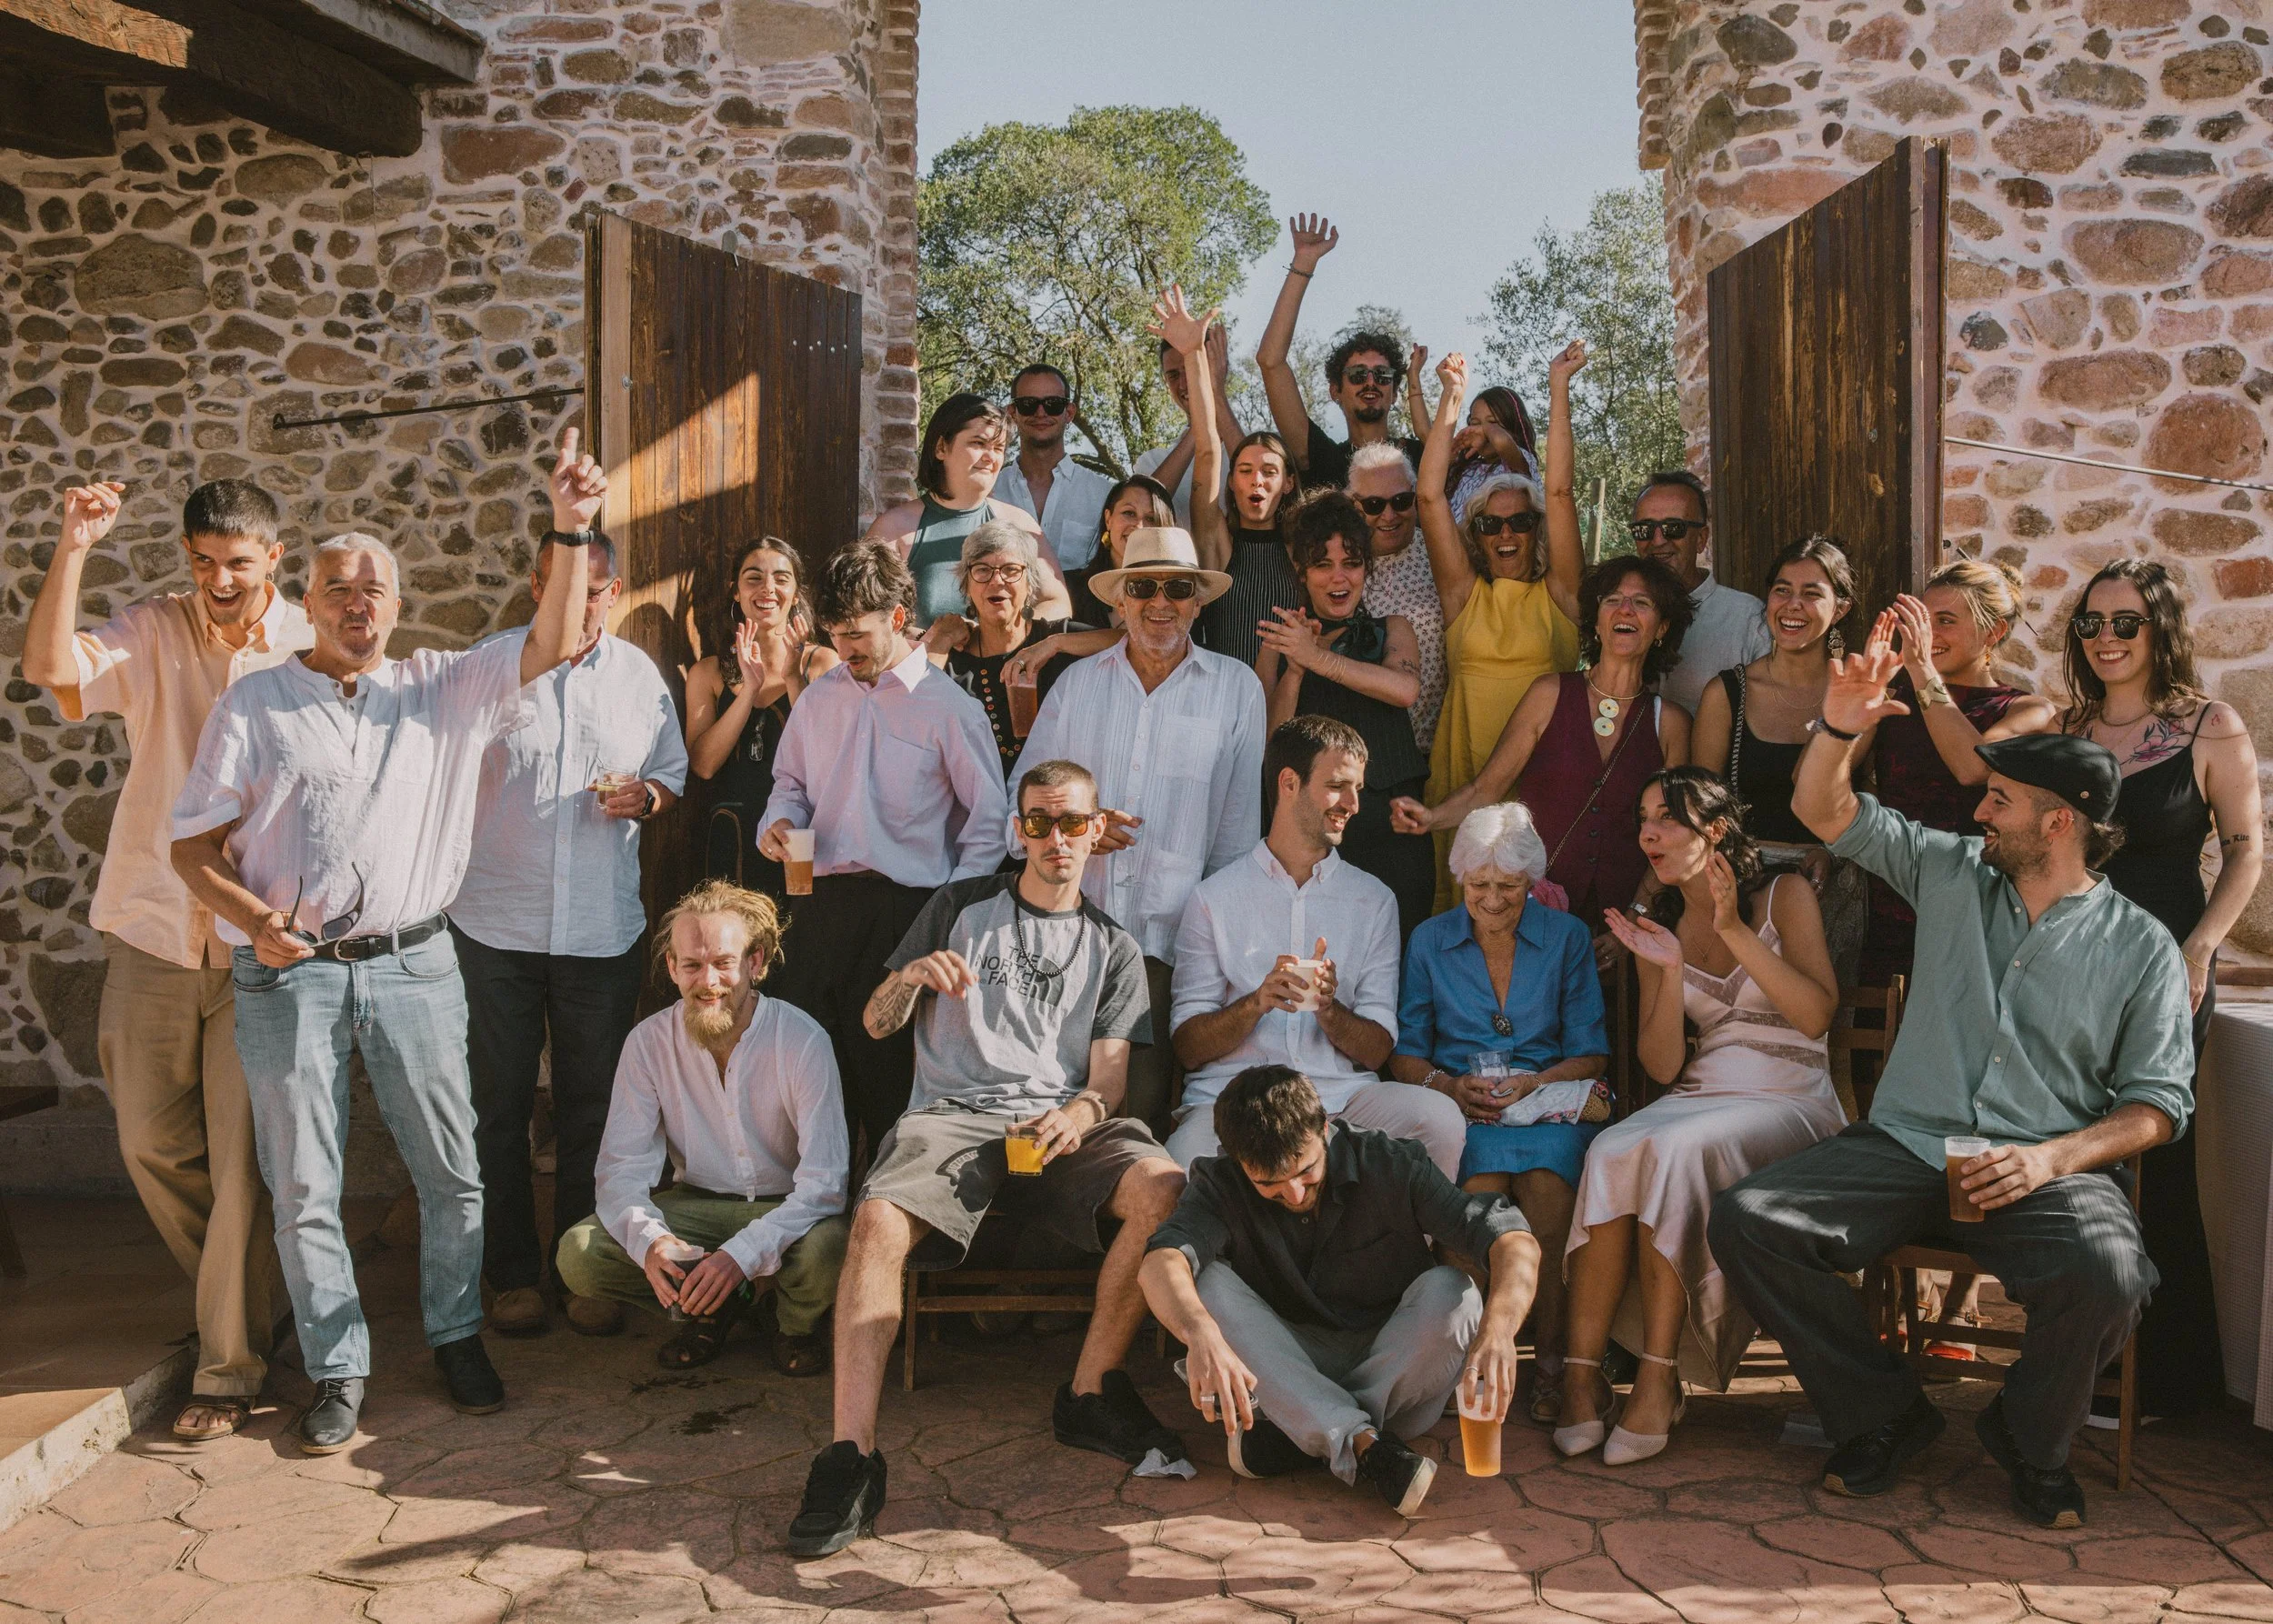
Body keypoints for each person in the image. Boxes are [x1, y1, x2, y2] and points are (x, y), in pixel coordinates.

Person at [168, 427, 605, 1452]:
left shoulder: (444, 688)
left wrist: (573, 527)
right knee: (305, 1185)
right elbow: (192, 850)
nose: (357, 602)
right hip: (293, 973)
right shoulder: (257, 699)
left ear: (397, 607)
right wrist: (253, 921)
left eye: (375, 588)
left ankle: (456, 1333)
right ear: (306, 604)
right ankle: (339, 1366)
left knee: (453, 1170)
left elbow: (550, 639)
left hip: (416, 962)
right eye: (337, 589)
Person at [1709, 638, 2194, 1531]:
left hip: (2040, 1168)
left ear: (2058, 822)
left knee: (2113, 1272)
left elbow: (2156, 1104)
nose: (1979, 809)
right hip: (1903, 1144)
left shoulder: (2140, 946)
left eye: (1998, 799)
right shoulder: (1948, 867)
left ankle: (2028, 1436)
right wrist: (1838, 724)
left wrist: (2051, 1159)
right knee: (1751, 1220)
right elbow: (1823, 808)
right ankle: (1883, 1410)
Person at [787, 760, 1188, 1557]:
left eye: (1072, 823)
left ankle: (1087, 1392)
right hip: (953, 1116)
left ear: (1097, 832)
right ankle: (850, 1455)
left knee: (1163, 1185)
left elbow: (1108, 1082)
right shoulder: (959, 906)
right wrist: (908, 977)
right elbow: (873, 1024)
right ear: (1018, 831)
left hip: (1055, 1124)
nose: (1055, 839)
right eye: (1038, 823)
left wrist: (1077, 1113)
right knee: (874, 1221)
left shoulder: (1114, 946)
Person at [21, 477, 312, 1442]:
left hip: (258, 939)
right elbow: (49, 667)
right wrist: (74, 546)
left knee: (240, 1165)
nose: (219, 580)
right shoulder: (153, 629)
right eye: (202, 563)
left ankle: (227, 1370)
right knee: (150, 1141)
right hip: (150, 926)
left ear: (274, 557)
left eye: (237, 563)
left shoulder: (309, 642)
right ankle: (258, 1306)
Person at [449, 531, 690, 1339]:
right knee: (498, 1107)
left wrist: (647, 800)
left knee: (595, 1108)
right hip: (494, 923)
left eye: (591, 590)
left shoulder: (638, 679)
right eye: (559, 586)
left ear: (613, 592)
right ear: (533, 584)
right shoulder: (490, 668)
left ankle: (584, 1269)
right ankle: (511, 1275)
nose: (576, 604)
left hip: (598, 928)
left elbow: (673, 774)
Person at [1562, 770, 1842, 1465]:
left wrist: (1730, 930)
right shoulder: (1665, 925)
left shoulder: (1786, 895)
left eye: (1669, 819)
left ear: (1715, 831)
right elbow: (1661, 1067)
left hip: (1791, 1096)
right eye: (1644, 818)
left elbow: (1814, 1017)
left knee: (1676, 1152)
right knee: (1612, 1150)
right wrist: (1664, 965)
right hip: (1703, 1090)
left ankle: (1659, 1378)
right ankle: (1580, 1379)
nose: (1649, 833)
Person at [1140, 1066, 1540, 1514]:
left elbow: (1512, 1239)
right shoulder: (1218, 1182)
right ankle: (1366, 1445)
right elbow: (1160, 1262)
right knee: (1204, 1281)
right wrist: (1199, 1335)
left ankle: (1305, 1428)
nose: (1293, 1194)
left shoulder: (1391, 1162)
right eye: (1268, 1183)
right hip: (1290, 1357)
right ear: (1235, 1161)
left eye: (1306, 1171)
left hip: (1392, 1374)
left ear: (1324, 1128)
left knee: (1456, 1291)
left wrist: (1500, 1332)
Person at [2061, 558, 2262, 1421]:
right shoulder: (2071, 728)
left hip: (2169, 970)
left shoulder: (2207, 727)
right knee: (2082, 1151)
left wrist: (2199, 952)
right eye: (2091, 624)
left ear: (2160, 630)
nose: (2105, 638)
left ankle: (2166, 1376)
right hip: (2079, 967)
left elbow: (2246, 849)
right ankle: (2088, 1354)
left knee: (2157, 1161)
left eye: (2125, 623)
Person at [757, 542, 1009, 1153]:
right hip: (816, 910)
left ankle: (887, 1228)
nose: (844, 650)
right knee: (811, 1080)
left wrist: (946, 917)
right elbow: (788, 784)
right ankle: (817, 1222)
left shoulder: (951, 709)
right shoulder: (818, 699)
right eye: (836, 634)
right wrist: (780, 821)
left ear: (897, 618)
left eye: (857, 634)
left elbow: (989, 822)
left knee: (892, 1085)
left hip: (908, 913)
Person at [1013, 526, 1266, 1129]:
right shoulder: (1075, 687)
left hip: (1172, 949)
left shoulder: (1237, 690)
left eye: (1177, 587)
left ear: (1198, 601)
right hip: (1070, 938)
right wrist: (1074, 833)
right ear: (1119, 602)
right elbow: (1018, 811)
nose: (1160, 602)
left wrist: (1220, 958)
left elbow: (1236, 839)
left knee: (1140, 1121)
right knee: (1050, 1109)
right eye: (1143, 587)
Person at [555, 881, 848, 1373]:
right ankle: (710, 1308)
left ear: (755, 963)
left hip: (787, 1207)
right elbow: (621, 1169)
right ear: (672, 968)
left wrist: (740, 1257)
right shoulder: (648, 1043)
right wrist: (654, 1243)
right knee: (579, 1255)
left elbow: (824, 1185)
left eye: (723, 964)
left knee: (829, 1248)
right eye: (691, 965)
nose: (708, 982)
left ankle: (792, 1324)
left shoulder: (802, 1039)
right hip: (697, 1204)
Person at [1386, 802, 1609, 1424]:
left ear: (1531, 884)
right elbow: (1406, 1054)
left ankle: (1552, 1367)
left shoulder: (1564, 938)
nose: (1491, 900)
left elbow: (1590, 1053)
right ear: (1461, 880)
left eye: (1508, 888)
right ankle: (1466, 1363)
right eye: (1479, 886)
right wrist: (1450, 1085)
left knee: (1546, 1196)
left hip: (1547, 1110)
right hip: (1469, 1114)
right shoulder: (1431, 939)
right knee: (1475, 1209)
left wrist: (1536, 1080)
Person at [1167, 717, 1465, 1176]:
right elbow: (1188, 1047)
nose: (1353, 804)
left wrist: (1329, 1009)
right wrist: (1258, 1002)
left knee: (1440, 1120)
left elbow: (1378, 1049)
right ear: (1289, 782)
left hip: (1340, 1099)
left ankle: (1399, 1249)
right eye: (1338, 786)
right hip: (1232, 1097)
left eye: (1357, 789)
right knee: (1182, 1162)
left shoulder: (1374, 900)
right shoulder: (1214, 897)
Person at [1393, 555, 1695, 926]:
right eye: (1612, 600)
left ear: (1662, 628)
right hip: (1537, 911)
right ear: (1597, 621)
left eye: (1642, 602)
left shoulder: (1672, 722)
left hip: (1625, 921)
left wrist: (1635, 918)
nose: (1625, 611)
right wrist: (1431, 817)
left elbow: (1675, 835)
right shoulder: (1549, 693)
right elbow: (1486, 789)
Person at [1416, 350, 1584, 908]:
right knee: (1462, 915)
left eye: (1521, 521)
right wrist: (1450, 398)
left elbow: (1559, 490)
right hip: (1460, 777)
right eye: (1491, 524)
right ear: (1478, 533)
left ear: (1538, 530)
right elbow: (1429, 496)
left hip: (1544, 786)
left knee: (1540, 918)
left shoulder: (1562, 596)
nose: (1506, 534)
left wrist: (1558, 386)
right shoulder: (1464, 596)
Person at [1855, 560, 2054, 990]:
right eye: (1924, 621)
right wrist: (1862, 701)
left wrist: (1921, 668)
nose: (1928, 635)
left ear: (1994, 632)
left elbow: (1972, 767)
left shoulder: (2026, 710)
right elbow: (1829, 776)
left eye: (1945, 621)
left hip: (1974, 908)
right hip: (1888, 902)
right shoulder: (1895, 697)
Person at [1255, 495, 1434, 940]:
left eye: (1351, 562)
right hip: (1309, 835)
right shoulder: (1280, 641)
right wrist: (1296, 666)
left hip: (1394, 830)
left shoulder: (1394, 628)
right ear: (1301, 572)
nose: (1339, 576)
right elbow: (1272, 739)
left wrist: (1316, 657)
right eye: (1322, 564)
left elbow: (1404, 689)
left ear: (1366, 569)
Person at [1692, 536, 1867, 979]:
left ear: (1841, 608)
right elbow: (1698, 809)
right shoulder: (1726, 693)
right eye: (1782, 590)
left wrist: (1829, 853)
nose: (1793, 605)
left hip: (1830, 885)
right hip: (1740, 886)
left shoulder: (1859, 692)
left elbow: (1834, 790)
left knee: (1816, 1028)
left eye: (1813, 594)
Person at [1150, 287, 1303, 667]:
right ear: (1230, 481)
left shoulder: (1304, 549)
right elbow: (1206, 446)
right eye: (1245, 470)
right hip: (1223, 701)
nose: (1257, 481)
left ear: (1288, 483)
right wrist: (1192, 354)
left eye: (1269, 471)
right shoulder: (1216, 541)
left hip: (1290, 702)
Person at [685, 538, 838, 893]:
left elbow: (824, 758)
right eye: (753, 578)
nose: (768, 588)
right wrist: (749, 690)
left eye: (781, 579)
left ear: (796, 594)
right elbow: (704, 765)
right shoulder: (707, 673)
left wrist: (793, 678)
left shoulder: (824, 662)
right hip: (731, 838)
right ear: (735, 593)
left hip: (798, 837)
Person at [861, 393, 1066, 628]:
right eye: (978, 443)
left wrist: (1009, 632)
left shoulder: (1019, 523)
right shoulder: (894, 528)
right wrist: (930, 640)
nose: (990, 457)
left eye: (998, 448)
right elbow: (868, 619)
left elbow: (1058, 602)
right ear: (941, 447)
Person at [923, 521, 1113, 774]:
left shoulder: (1056, 639)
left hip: (1049, 801)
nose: (996, 580)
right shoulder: (955, 659)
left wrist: (1054, 644)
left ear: (1030, 584)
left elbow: (1131, 642)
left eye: (1011, 570)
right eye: (982, 570)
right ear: (966, 585)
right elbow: (915, 711)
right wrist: (941, 640)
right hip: (975, 802)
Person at [1255, 214, 1424, 488]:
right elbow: (1270, 361)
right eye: (1357, 375)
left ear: (1394, 392)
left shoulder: (1420, 455)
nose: (1370, 382)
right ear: (1335, 390)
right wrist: (1304, 263)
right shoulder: (1323, 459)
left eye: (1382, 375)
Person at [1626, 472, 1770, 717]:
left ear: (1701, 538)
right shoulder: (1619, 612)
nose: (1658, 540)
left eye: (1674, 528)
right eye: (1645, 529)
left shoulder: (1747, 619)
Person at [1347, 442, 1447, 757]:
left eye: (1402, 500)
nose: (1389, 515)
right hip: (1359, 760)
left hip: (1432, 754)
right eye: (1375, 504)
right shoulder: (1337, 563)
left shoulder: (1443, 554)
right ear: (1354, 505)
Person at [989, 363, 1116, 575]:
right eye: (1028, 404)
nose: (1041, 412)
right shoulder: (989, 493)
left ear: (1069, 413)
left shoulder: (1105, 495)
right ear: (1012, 412)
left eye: (1053, 404)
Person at [1133, 319, 1238, 526]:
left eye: (1192, 370)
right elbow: (1142, 508)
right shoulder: (1153, 461)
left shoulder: (1264, 447)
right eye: (1173, 375)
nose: (1183, 384)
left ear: (1218, 368)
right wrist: (1201, 425)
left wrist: (1216, 395)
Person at [1067, 475, 1176, 628]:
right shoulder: (1069, 589)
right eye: (1129, 513)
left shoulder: (1179, 593)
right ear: (1108, 519)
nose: (1139, 526)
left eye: (1151, 519)